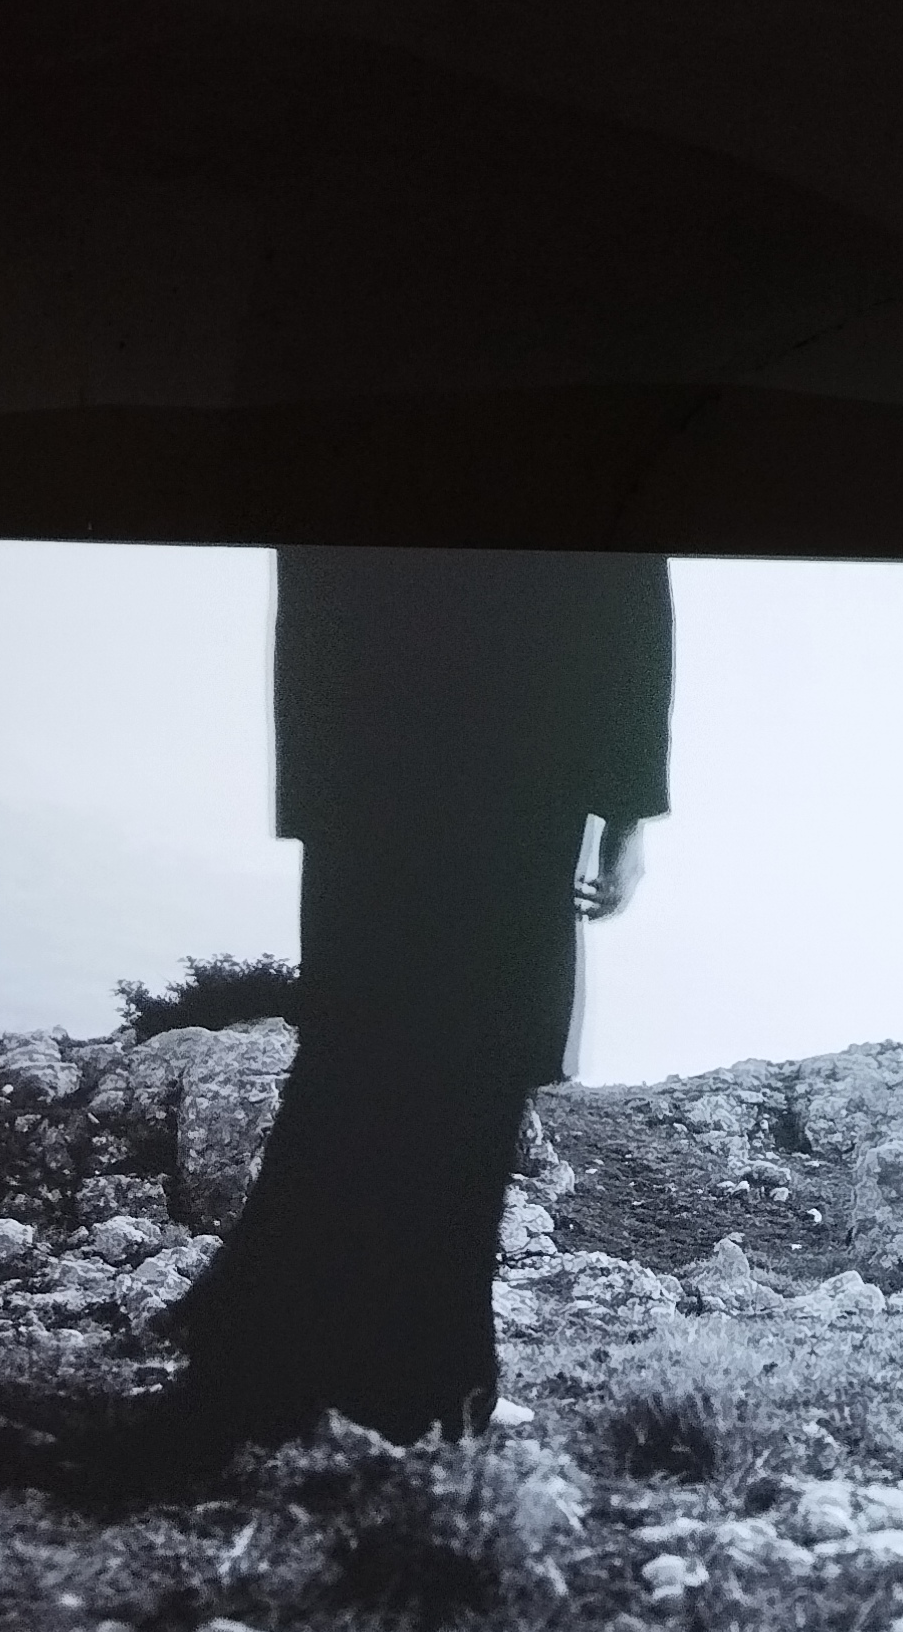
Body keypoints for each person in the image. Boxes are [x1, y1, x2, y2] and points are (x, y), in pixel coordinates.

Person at [123, 542, 672, 1469]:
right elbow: (621, 584)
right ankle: (409, 1383)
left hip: (369, 757)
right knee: (468, 1068)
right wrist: (623, 808)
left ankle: (273, 1363)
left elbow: (317, 583)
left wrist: (322, 793)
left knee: (366, 1056)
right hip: (512, 752)